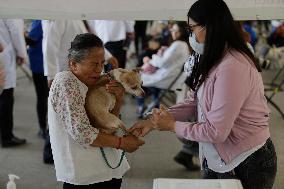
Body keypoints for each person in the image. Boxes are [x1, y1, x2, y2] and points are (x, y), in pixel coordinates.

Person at [129, 0, 277, 189]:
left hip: (247, 160)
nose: (189, 34)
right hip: (216, 154)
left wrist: (172, 125)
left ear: (210, 26)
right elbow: (194, 101)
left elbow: (216, 131)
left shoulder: (232, 67)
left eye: (192, 28)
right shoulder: (212, 56)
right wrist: (152, 121)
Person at [48, 33, 144, 189]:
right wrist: (122, 143)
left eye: (102, 63)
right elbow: (83, 133)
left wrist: (118, 100)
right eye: (94, 64)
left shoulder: (96, 82)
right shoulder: (66, 81)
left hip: (106, 170)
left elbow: (107, 126)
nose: (99, 70)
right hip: (85, 176)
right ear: (73, 64)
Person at [136, 22, 190, 117]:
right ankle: (154, 105)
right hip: (171, 77)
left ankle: (143, 106)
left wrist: (152, 57)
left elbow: (161, 63)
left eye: (175, 31)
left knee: (137, 79)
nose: (173, 33)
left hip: (167, 77)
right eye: (172, 30)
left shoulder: (178, 44)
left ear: (181, 32)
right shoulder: (183, 45)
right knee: (145, 80)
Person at [0, 19, 27, 148]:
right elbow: (16, 32)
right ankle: (6, 137)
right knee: (6, 97)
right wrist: (22, 54)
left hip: (3, 52)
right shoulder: (9, 7)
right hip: (4, 56)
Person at [25, 20, 49, 139]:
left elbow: (30, 39)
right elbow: (32, 39)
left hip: (42, 64)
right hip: (40, 64)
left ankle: (44, 127)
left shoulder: (39, 20)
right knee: (42, 97)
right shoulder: (40, 20)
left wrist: (22, 35)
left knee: (43, 97)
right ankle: (42, 127)